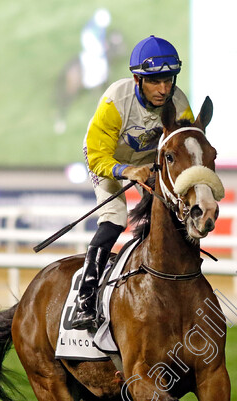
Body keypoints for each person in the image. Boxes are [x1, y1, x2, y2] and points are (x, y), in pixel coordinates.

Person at [72, 35, 194, 330]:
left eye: (168, 81)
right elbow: (97, 156)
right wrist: (127, 170)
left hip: (148, 161)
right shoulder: (116, 101)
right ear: (138, 79)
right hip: (108, 159)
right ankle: (84, 300)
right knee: (114, 218)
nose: (163, 90)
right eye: (155, 82)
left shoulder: (179, 103)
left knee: (170, 211)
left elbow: (186, 146)